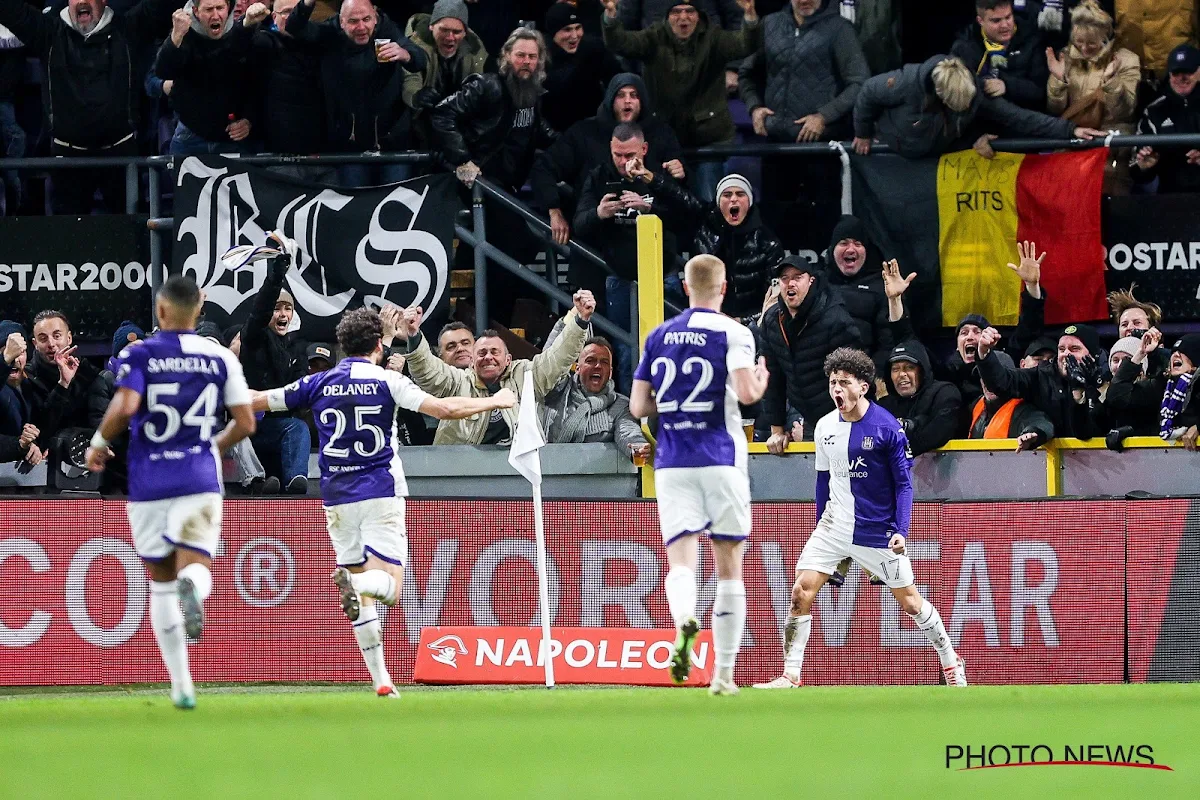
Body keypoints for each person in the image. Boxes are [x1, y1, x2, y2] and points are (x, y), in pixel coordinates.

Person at [252, 307, 516, 697]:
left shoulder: (319, 381)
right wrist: (496, 401)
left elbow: (258, 401)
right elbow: (444, 408)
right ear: (379, 344)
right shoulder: (387, 380)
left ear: (342, 345)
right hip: (380, 491)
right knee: (388, 587)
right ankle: (357, 589)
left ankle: (381, 680)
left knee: (363, 598)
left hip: (336, 498)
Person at [85, 276, 257, 710]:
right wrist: (212, 449)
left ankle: (181, 686)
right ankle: (194, 590)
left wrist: (98, 443)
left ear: (160, 311)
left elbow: (124, 407)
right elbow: (246, 422)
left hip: (148, 482)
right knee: (196, 564)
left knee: (158, 583)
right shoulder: (219, 357)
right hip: (198, 477)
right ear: (199, 309)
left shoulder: (138, 353)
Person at [753, 347, 967, 689]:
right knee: (800, 594)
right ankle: (790, 675)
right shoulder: (824, 427)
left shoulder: (887, 428)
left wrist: (901, 530)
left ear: (863, 387)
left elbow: (903, 484)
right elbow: (823, 481)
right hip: (833, 528)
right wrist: (820, 525)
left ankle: (950, 659)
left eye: (844, 382)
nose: (837, 389)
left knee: (911, 603)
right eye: (832, 383)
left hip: (876, 531)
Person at [628, 254, 770, 696]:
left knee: (681, 562)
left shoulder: (659, 336)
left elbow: (637, 407)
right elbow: (746, 393)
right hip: (721, 457)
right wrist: (761, 381)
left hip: (672, 461)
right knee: (730, 570)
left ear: (685, 288)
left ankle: (682, 621)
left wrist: (673, 405)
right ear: (724, 287)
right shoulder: (735, 332)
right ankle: (723, 675)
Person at [0, 0, 179, 214]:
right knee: (68, 238)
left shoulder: (128, 28)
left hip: (121, 158)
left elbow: (161, 7)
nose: (82, 1)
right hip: (66, 160)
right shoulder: (48, 32)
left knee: (130, 235)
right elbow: (9, 9)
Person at [574, 122, 700, 388]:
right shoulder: (599, 177)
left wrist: (649, 206)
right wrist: (600, 213)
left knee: (671, 346)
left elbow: (688, 217)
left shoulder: (659, 173)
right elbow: (579, 224)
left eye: (630, 155)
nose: (623, 162)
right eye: (618, 155)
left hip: (663, 277)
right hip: (621, 281)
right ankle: (633, 414)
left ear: (643, 149)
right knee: (627, 349)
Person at [601, 0, 759, 199]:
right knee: (663, 204)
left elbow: (745, 43)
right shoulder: (653, 37)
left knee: (707, 203)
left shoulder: (714, 37)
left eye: (689, 11)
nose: (683, 18)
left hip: (708, 140)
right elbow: (620, 42)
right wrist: (611, 17)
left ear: (699, 15)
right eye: (676, 12)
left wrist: (751, 17)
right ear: (667, 16)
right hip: (665, 139)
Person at [399, 290, 596, 444]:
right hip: (460, 470)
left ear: (508, 359)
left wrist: (579, 321)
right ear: (472, 362)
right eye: (482, 353)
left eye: (495, 352)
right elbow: (428, 370)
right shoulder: (458, 382)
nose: (488, 357)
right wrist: (414, 334)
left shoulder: (525, 375)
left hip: (515, 470)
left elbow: (557, 358)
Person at [530, 72, 684, 247]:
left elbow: (682, 197)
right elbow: (543, 168)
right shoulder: (583, 133)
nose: (627, 101)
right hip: (594, 239)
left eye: (634, 95)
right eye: (620, 95)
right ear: (610, 99)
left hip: (652, 240)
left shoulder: (662, 133)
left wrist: (680, 171)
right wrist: (554, 210)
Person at [287, 0, 426, 186]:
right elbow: (294, 27)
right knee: (355, 206)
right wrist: (307, 3)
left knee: (396, 206)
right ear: (341, 22)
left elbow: (420, 59)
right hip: (349, 146)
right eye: (353, 21)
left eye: (366, 19)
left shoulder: (387, 29)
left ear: (375, 18)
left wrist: (405, 54)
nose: (361, 26)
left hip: (393, 143)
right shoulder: (330, 33)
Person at [853, 55, 1103, 158]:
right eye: (956, 106)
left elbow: (1020, 118)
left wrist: (1070, 130)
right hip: (892, 153)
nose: (963, 110)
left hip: (937, 157)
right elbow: (867, 94)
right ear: (940, 95)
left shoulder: (977, 94)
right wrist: (862, 132)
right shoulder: (906, 83)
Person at [761, 255, 862, 448]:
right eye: (784, 278)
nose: (790, 283)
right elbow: (772, 378)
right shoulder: (772, 321)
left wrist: (848, 424)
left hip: (845, 418)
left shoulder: (835, 318)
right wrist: (777, 430)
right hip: (807, 420)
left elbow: (854, 379)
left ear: (811, 281)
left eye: (797, 277)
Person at [1045, 1, 1139, 192]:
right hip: (1072, 143)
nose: (1085, 49)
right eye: (1079, 42)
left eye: (1092, 43)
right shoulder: (1065, 58)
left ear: (1106, 37)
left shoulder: (1127, 60)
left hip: (1110, 148)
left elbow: (1126, 111)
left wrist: (1111, 81)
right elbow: (1055, 110)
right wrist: (1059, 80)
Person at [238, 247, 311, 494]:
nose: (282, 314)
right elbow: (259, 312)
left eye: (287, 309)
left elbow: (301, 391)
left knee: (298, 427)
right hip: (250, 429)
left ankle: (296, 482)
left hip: (280, 429)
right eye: (277, 308)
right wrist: (275, 277)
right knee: (294, 427)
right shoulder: (255, 337)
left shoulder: (297, 347)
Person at [155, 1, 258, 155]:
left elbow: (258, 84)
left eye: (220, 8)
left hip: (233, 137)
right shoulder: (184, 34)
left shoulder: (244, 33)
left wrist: (249, 119)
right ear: (196, 11)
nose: (215, 15)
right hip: (190, 136)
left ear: (228, 8)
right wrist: (175, 36)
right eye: (209, 9)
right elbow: (163, 71)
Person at [975, 322, 1104, 439]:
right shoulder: (1041, 376)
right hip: (1046, 461)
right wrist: (984, 353)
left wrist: (1080, 393)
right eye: (1061, 349)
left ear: (1092, 355)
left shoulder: (1103, 382)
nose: (1065, 355)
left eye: (1074, 349)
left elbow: (1086, 433)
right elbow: (1001, 382)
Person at [688, 173, 783, 321]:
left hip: (755, 324)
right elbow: (682, 200)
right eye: (727, 195)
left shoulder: (768, 242)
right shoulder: (705, 235)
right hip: (711, 318)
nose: (733, 199)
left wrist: (742, 321)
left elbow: (776, 297)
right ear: (718, 202)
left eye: (740, 194)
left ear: (749, 201)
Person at [544, 335, 650, 461]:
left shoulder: (621, 405)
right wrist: (569, 322)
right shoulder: (557, 393)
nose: (598, 366)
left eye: (604, 362)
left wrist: (636, 447)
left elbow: (627, 431)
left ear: (610, 372)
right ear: (577, 368)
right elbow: (549, 364)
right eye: (590, 360)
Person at [403, 0, 488, 149]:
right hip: (418, 129)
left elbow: (478, 93)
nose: (450, 37)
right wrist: (416, 97)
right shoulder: (416, 46)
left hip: (458, 128)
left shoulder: (475, 53)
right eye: (443, 30)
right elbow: (410, 79)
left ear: (465, 32)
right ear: (431, 27)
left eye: (456, 32)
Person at [951, 0, 1050, 112]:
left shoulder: (1031, 38)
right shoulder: (965, 46)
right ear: (980, 21)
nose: (1005, 25)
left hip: (1025, 116)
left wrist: (1007, 86)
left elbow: (1040, 90)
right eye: (996, 21)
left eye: (1008, 17)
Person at [822, 215, 892, 371]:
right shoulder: (817, 284)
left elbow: (887, 342)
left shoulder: (882, 286)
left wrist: (869, 378)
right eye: (844, 243)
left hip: (864, 376)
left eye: (858, 243)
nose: (851, 249)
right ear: (832, 250)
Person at [1130, 45, 1200, 194]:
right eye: (1176, 73)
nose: (1182, 78)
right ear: (1169, 74)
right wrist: (1144, 166)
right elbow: (1136, 171)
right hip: (1171, 197)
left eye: (1188, 72)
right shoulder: (1154, 110)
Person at [542, 2, 622, 133]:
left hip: (594, 125)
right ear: (553, 33)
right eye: (567, 29)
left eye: (578, 27)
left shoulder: (592, 48)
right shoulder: (540, 56)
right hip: (556, 131)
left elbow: (618, 77)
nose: (574, 36)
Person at [879, 340, 963, 456]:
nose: (901, 374)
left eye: (909, 367)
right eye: (895, 369)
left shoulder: (944, 393)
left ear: (922, 371)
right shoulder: (883, 406)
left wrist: (897, 451)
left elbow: (937, 433)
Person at [968, 350, 1054, 447]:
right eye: (983, 377)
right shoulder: (974, 407)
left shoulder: (1024, 409)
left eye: (994, 379)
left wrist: (1033, 433)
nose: (988, 384)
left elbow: (1042, 423)